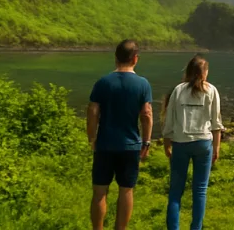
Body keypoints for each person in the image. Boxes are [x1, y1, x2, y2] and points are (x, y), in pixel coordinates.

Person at [88, 40, 154, 230]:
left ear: (115, 58)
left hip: (105, 144)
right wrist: (146, 142)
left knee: (100, 191)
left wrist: (92, 138)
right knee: (126, 190)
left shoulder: (103, 82)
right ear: (135, 59)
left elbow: (92, 111)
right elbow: (147, 114)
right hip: (130, 145)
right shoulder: (143, 84)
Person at [162, 54, 225, 230]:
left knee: (175, 192)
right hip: (204, 143)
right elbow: (216, 122)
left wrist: (167, 142)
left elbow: (169, 119)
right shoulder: (211, 90)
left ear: (189, 71)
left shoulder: (179, 90)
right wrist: (216, 148)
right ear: (205, 72)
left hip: (181, 143)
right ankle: (195, 228)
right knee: (200, 190)